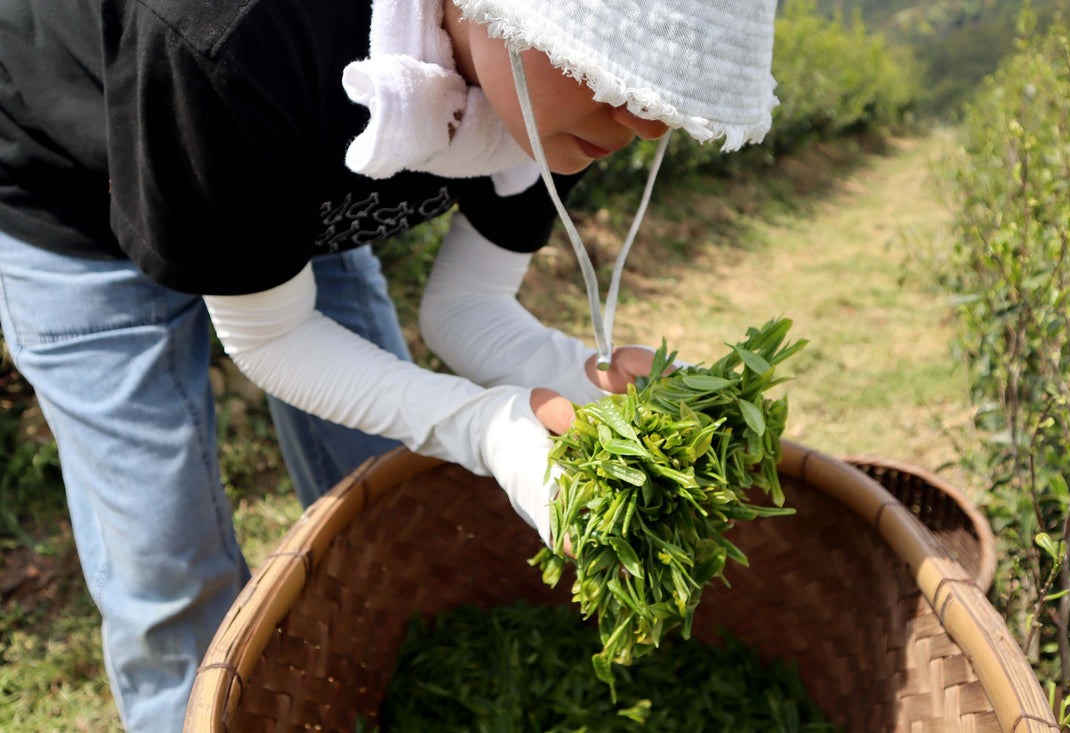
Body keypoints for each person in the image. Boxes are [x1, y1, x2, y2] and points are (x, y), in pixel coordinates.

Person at [0, 0, 779, 730]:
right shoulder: (237, 31)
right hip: (75, 199)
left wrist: (577, 373)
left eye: (661, 86)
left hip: (288, 176)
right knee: (170, 566)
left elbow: (465, 308)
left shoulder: (563, 89)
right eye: (616, 69)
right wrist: (485, 426)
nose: (643, 120)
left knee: (382, 496)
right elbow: (270, 335)